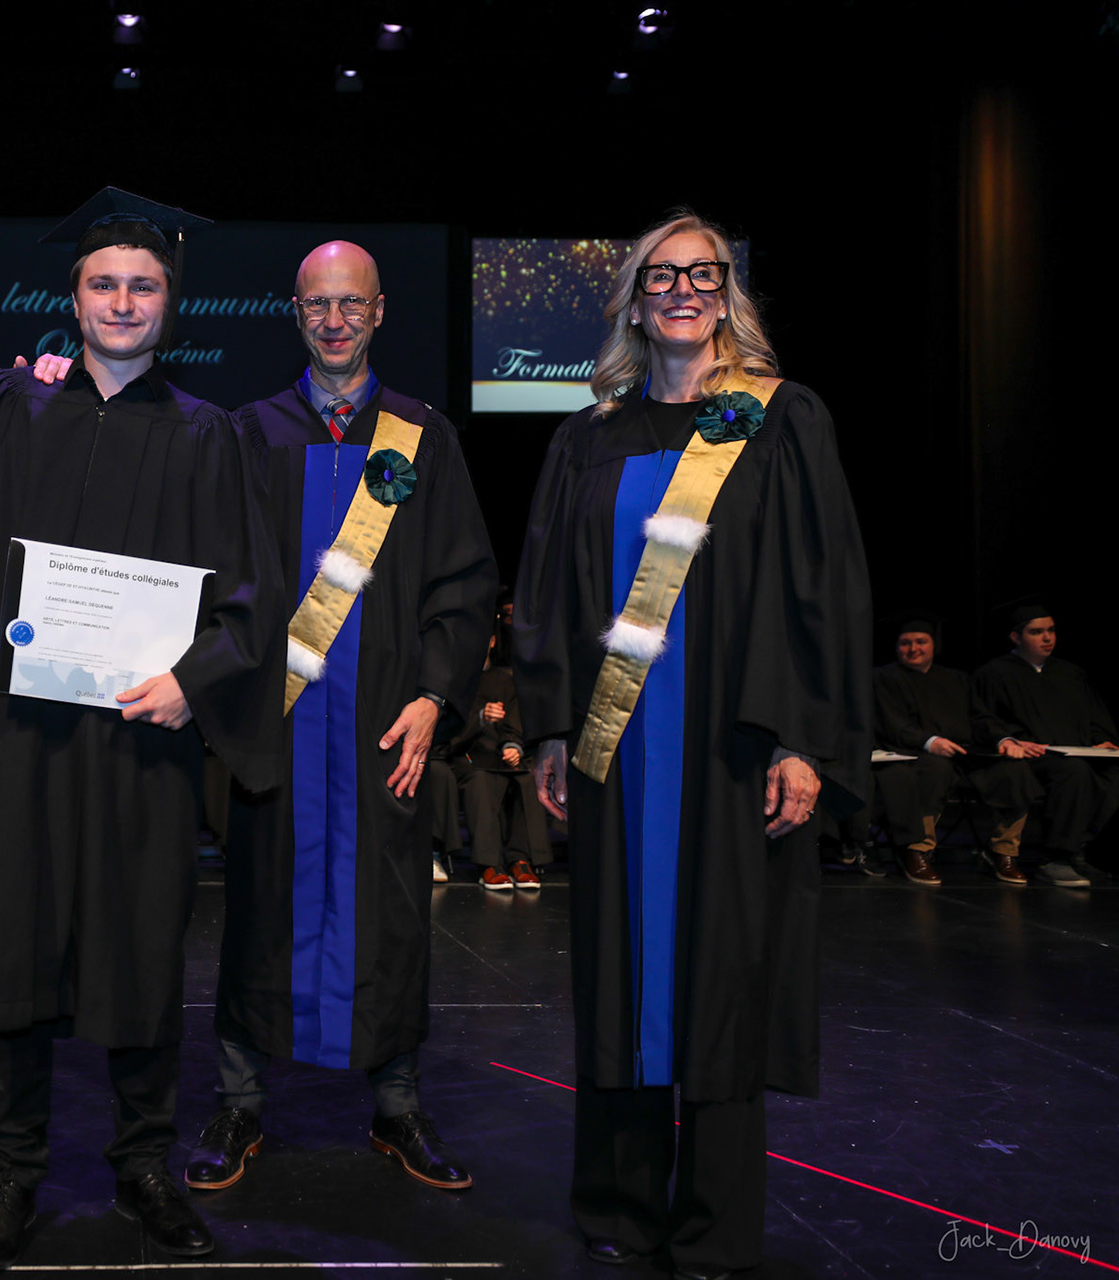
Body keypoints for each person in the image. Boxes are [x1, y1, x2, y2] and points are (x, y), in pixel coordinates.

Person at [514, 212, 871, 1278]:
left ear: (727, 292)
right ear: (633, 299)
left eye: (701, 274)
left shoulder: (780, 417)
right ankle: (620, 1200)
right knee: (617, 967)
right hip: (618, 747)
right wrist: (549, 724)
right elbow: (546, 587)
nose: (681, 290)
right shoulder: (589, 435)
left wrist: (803, 738)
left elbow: (820, 583)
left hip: (732, 741)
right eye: (660, 276)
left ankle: (716, 1218)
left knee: (723, 973)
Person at [0, 190, 282, 1271]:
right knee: (11, 946)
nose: (122, 302)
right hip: (19, 737)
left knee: (138, 949)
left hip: (141, 739)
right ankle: (12, 1171)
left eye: (143, 285)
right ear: (73, 299)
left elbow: (252, 597)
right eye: (103, 284)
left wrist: (194, 681)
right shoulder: (9, 408)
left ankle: (144, 1166)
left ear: (170, 303)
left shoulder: (209, 435)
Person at [189, 240, 495, 1196]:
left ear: (379, 311)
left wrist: (433, 694)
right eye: (317, 304)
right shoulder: (250, 434)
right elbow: (214, 575)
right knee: (259, 908)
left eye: (350, 304)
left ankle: (398, 1107)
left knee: (391, 914)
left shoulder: (420, 436)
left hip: (378, 728)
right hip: (274, 725)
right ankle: (239, 1102)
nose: (334, 320)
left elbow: (462, 582)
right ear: (296, 312)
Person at [870, 611, 1037, 885]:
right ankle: (917, 850)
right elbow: (891, 723)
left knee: (1014, 772)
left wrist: (1003, 740)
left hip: (964, 753)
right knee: (934, 769)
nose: (913, 649)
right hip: (915, 753)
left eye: (921, 642)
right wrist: (930, 741)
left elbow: (980, 718)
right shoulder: (883, 678)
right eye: (905, 643)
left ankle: (1004, 851)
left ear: (933, 644)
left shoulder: (956, 679)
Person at [971, 603, 1119, 887]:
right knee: (1074, 772)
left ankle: (1085, 850)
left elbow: (1094, 716)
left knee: (1111, 773)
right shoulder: (995, 674)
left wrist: (1101, 738)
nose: (1047, 638)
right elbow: (982, 718)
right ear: (1016, 637)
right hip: (1028, 756)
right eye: (1037, 632)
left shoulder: (1070, 673)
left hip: (1074, 752)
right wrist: (1010, 740)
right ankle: (1055, 858)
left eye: (1051, 630)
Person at [432, 620, 550, 890]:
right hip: (467, 757)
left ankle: (520, 859)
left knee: (526, 777)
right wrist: (480, 720)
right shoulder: (453, 683)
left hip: (502, 757)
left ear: (493, 642)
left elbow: (516, 721)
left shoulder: (506, 680)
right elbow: (446, 736)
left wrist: (512, 744)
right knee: (481, 780)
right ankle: (489, 863)